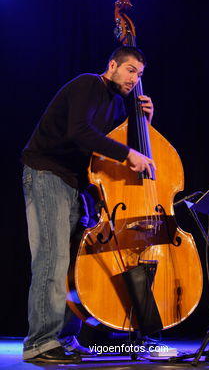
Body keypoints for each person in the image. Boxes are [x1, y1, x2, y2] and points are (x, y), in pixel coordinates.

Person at [22, 45, 156, 363]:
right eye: (130, 70)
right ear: (112, 65)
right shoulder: (88, 84)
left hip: (74, 184)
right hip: (46, 172)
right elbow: (80, 132)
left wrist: (146, 121)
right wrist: (128, 154)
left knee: (69, 266)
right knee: (51, 259)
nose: (135, 80)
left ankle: (64, 338)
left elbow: (119, 146)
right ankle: (38, 342)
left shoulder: (117, 105)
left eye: (140, 74)